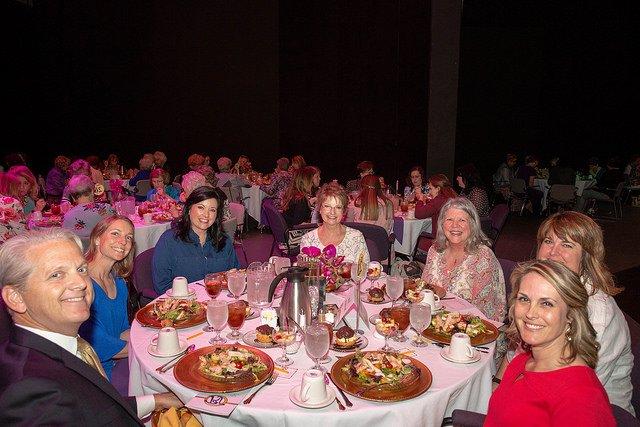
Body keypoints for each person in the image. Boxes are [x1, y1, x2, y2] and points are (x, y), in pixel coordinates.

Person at [0, 228, 182, 425]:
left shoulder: (63, 345)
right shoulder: (28, 391)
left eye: (81, 270)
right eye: (56, 275)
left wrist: (156, 400)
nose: (80, 283)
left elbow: (93, 407)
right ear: (15, 298)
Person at [485, 260, 615, 426]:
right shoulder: (522, 361)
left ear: (570, 315)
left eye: (546, 303)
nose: (530, 313)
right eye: (524, 299)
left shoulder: (581, 398)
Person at [535, 211, 633, 414]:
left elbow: (580, 391)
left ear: (586, 257)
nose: (553, 252)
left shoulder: (598, 313)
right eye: (548, 241)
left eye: (567, 245)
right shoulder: (539, 289)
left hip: (599, 411)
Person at [421, 197, 505, 322]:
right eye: (449, 219)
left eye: (462, 220)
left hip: (472, 330)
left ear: (472, 224)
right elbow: (424, 290)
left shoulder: (483, 257)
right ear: (442, 224)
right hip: (432, 322)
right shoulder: (435, 251)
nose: (455, 226)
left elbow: (486, 312)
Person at [152, 186, 239, 295]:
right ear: (189, 209)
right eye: (201, 207)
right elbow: (162, 285)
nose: (206, 215)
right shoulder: (169, 241)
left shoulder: (224, 241)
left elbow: (234, 275)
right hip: (183, 305)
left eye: (212, 210)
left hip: (219, 302)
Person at [79, 215, 135, 380]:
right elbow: (98, 346)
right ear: (97, 239)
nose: (123, 241)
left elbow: (122, 332)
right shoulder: (81, 285)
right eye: (115, 234)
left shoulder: (119, 282)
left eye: (129, 237)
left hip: (117, 363)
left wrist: (156, 333)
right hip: (95, 374)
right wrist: (151, 344)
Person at [300, 182, 370, 265]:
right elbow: (305, 274)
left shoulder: (356, 238)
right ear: (320, 209)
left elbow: (363, 272)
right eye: (327, 206)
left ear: (344, 211)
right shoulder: (308, 240)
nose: (332, 212)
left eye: (338, 207)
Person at [62, 175, 116, 249]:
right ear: (92, 191)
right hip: (103, 254)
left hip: (79, 256)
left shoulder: (68, 217)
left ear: (73, 197)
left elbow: (66, 243)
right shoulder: (106, 209)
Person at [0, 172, 28, 245]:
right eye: (17, 185)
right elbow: (22, 233)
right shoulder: (11, 202)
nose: (20, 188)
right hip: (6, 250)